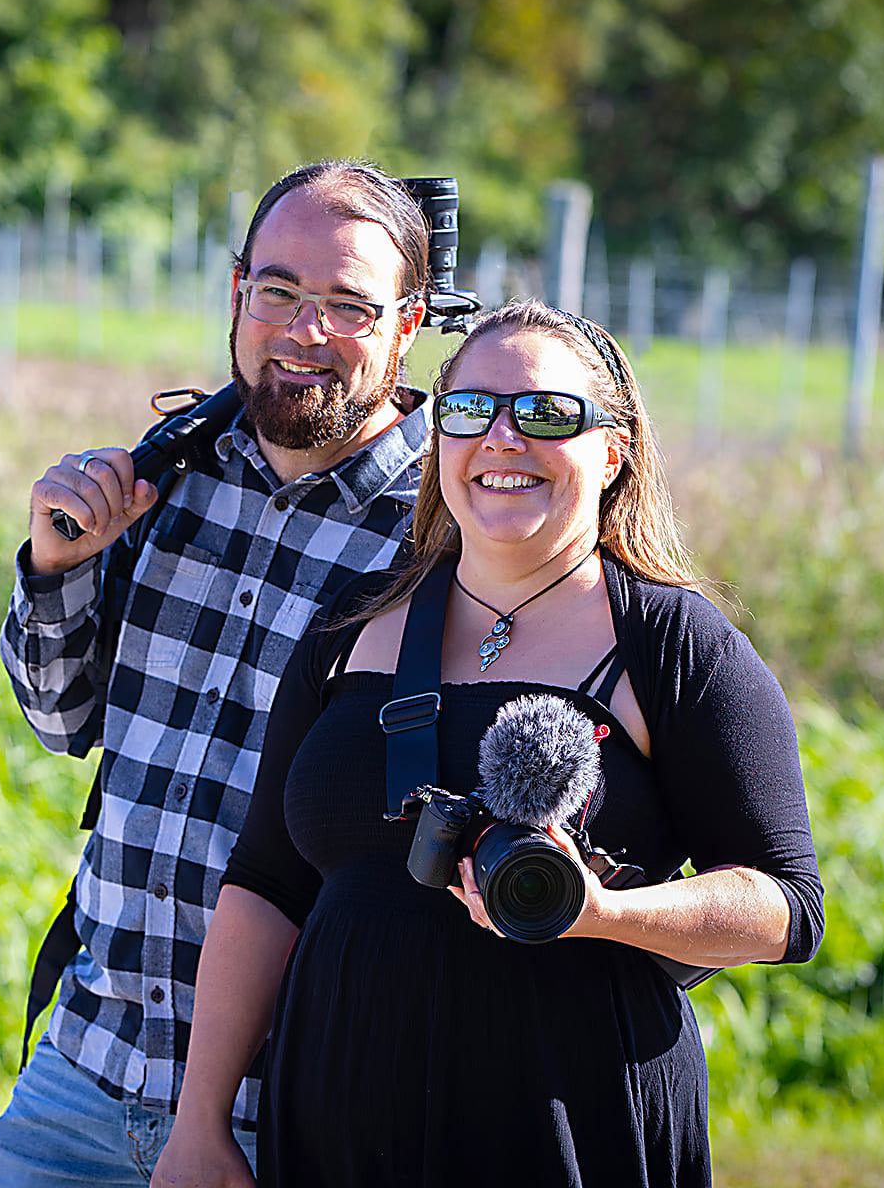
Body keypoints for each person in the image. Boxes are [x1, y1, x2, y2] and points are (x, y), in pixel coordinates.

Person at [154, 300, 825, 1188]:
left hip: (566, 1120)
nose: (501, 439)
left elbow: (787, 906)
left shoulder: (673, 645)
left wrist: (606, 915)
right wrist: (199, 1123)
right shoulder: (351, 626)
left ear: (612, 452)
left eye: (545, 413)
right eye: (469, 411)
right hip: (337, 1118)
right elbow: (266, 884)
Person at [0, 161, 440, 1186]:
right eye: (278, 292)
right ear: (237, 294)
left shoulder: (441, 538)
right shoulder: (168, 477)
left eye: (348, 306)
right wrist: (59, 567)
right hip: (86, 1071)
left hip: (303, 1106)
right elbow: (60, 721)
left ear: (408, 326)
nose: (304, 329)